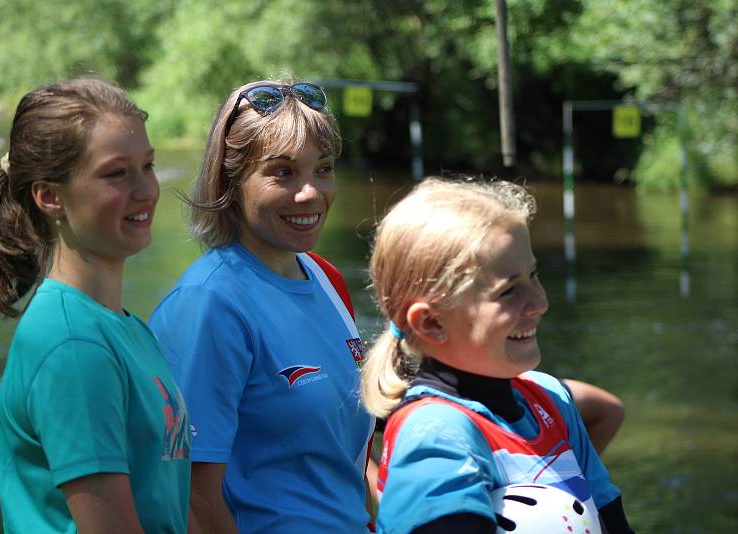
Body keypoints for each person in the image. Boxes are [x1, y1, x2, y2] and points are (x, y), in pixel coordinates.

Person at [149, 80, 374, 533]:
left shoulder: (325, 278)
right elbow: (191, 500)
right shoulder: (209, 303)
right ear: (231, 181)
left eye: (323, 168)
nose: (311, 193)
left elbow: (341, 458)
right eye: (283, 173)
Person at [0, 77, 191, 533]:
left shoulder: (123, 326)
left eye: (147, 166)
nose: (146, 190)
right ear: (50, 196)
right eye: (117, 173)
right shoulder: (72, 345)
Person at [360, 177, 633, 533]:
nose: (540, 304)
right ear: (430, 322)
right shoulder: (436, 435)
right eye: (508, 291)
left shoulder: (551, 399)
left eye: (533, 275)